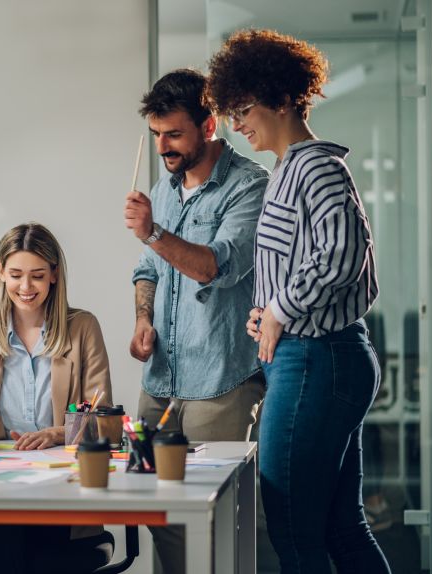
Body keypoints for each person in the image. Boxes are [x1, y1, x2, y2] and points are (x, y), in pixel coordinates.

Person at [203, 29, 390, 573]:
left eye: (242, 110)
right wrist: (268, 309)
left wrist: (281, 309)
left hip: (317, 359)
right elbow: (307, 264)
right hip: (316, 358)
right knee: (340, 527)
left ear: (282, 99)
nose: (236, 126)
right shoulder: (287, 171)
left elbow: (344, 252)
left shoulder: (316, 166)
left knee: (291, 527)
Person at [122, 69, 269, 573]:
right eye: (156, 135)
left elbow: (216, 266)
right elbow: (148, 270)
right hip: (160, 381)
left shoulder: (250, 185)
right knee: (156, 507)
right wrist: (144, 318)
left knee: (217, 517)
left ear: (208, 128)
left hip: (221, 382)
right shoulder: (163, 189)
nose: (164, 146)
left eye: (175, 134)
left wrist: (154, 231)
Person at [0, 222, 114, 573]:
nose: (25, 286)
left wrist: (57, 432)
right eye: (16, 274)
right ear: (1, 272)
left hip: (61, 488)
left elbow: (100, 412)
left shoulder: (82, 327)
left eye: (37, 275)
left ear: (54, 274)